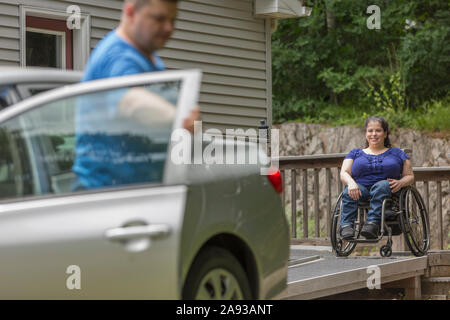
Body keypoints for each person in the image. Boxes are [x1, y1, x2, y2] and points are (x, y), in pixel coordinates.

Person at [72, 0, 199, 190]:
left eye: (173, 20)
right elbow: (132, 103)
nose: (169, 28)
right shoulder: (118, 57)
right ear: (131, 12)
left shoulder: (149, 58)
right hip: (105, 194)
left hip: (135, 189)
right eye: (159, 19)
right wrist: (181, 119)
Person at [339, 116, 414, 240]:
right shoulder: (355, 153)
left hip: (388, 189)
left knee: (381, 185)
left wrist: (401, 183)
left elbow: (410, 176)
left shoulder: (398, 153)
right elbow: (344, 172)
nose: (374, 134)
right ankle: (346, 225)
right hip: (361, 189)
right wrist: (351, 183)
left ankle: (372, 223)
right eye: (370, 131)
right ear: (365, 133)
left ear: (385, 133)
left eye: (378, 130)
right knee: (348, 191)